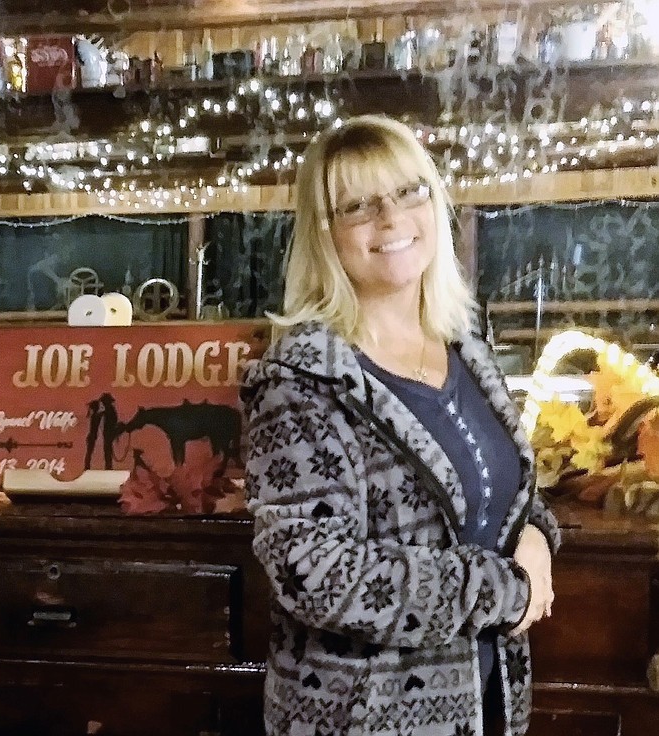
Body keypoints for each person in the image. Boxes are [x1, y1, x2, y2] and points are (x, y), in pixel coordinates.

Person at [240, 114, 559, 736]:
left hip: (487, 698)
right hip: (365, 717)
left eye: (409, 191)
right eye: (358, 205)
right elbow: (315, 573)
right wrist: (503, 590)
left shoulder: (466, 345)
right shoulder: (300, 379)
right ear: (325, 234)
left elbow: (506, 495)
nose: (391, 218)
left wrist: (538, 538)